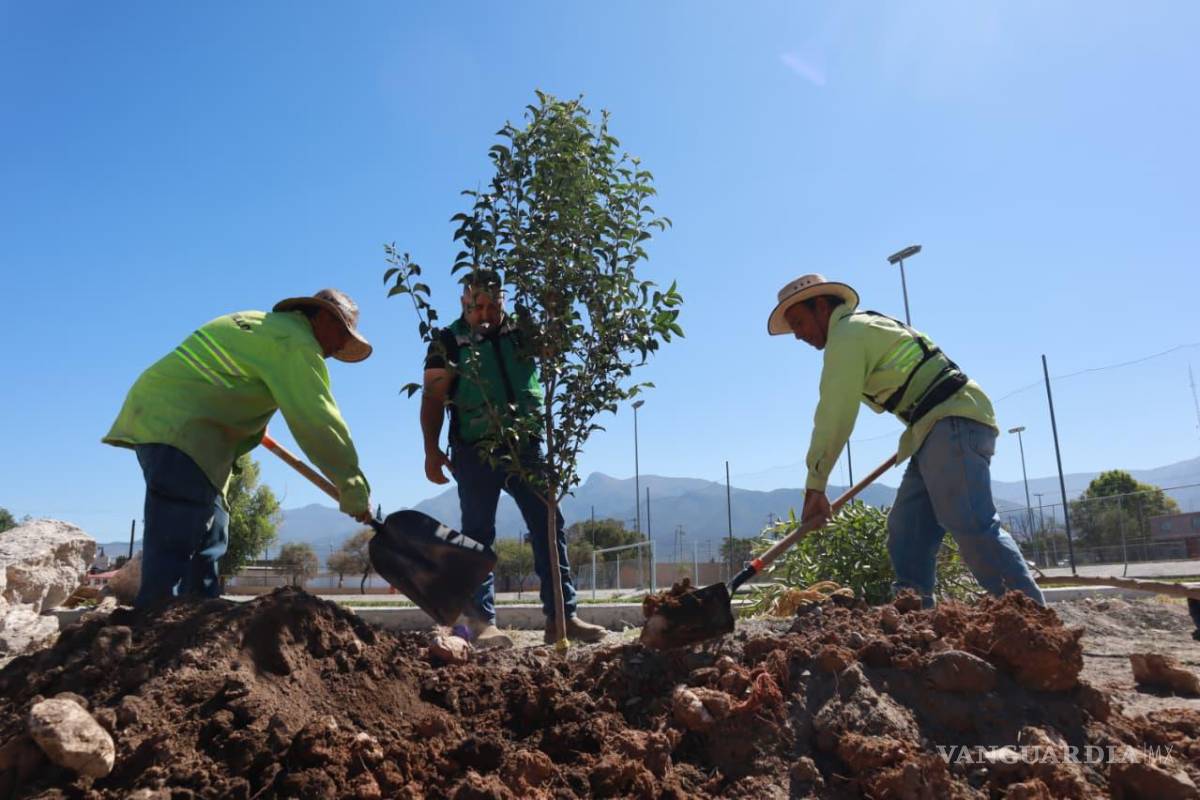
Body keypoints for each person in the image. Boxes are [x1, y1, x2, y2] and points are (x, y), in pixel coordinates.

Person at [769, 273, 1045, 607]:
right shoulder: (863, 327)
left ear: (822, 306)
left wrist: (816, 485)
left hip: (951, 421)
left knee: (971, 524)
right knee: (908, 531)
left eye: (798, 322)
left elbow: (834, 413)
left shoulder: (847, 335)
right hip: (931, 428)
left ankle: (1034, 621)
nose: (797, 335)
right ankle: (914, 624)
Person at [104, 289, 374, 608]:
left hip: (179, 426)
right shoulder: (295, 342)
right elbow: (317, 419)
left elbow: (230, 375)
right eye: (342, 334)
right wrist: (352, 485)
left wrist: (250, 420)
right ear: (324, 317)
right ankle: (152, 634)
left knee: (211, 536)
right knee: (177, 544)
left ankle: (198, 630)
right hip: (183, 428)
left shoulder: (265, 325)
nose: (341, 346)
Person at [421, 270, 606, 649]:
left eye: (492, 305)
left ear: (503, 300)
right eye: (477, 307)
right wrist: (432, 449)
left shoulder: (523, 332)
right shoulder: (447, 341)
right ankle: (481, 624)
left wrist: (557, 310)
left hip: (528, 447)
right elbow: (433, 399)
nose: (485, 314)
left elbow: (556, 350)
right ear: (463, 303)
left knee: (548, 526)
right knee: (477, 538)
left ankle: (562, 617)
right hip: (474, 450)